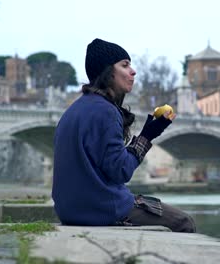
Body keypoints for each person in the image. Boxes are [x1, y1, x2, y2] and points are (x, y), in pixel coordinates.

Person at [52, 38, 196, 233]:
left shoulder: (74, 110)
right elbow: (120, 171)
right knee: (184, 222)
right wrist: (147, 135)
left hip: (69, 210)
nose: (133, 71)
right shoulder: (106, 111)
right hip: (100, 208)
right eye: (125, 65)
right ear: (108, 72)